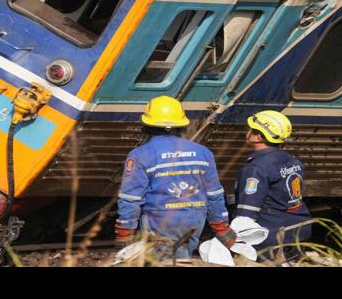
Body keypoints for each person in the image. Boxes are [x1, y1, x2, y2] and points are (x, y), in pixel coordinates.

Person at [116, 96, 233, 261]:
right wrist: (221, 226)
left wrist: (124, 232)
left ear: (147, 125)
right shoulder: (203, 152)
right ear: (182, 124)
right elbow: (214, 194)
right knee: (184, 258)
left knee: (164, 262)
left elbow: (131, 198)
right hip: (195, 217)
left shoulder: (140, 155)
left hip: (160, 219)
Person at [233, 110, 312, 263]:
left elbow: (247, 213)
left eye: (250, 129)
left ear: (259, 136)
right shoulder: (293, 161)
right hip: (298, 228)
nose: (247, 132)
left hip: (271, 234)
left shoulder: (256, 168)